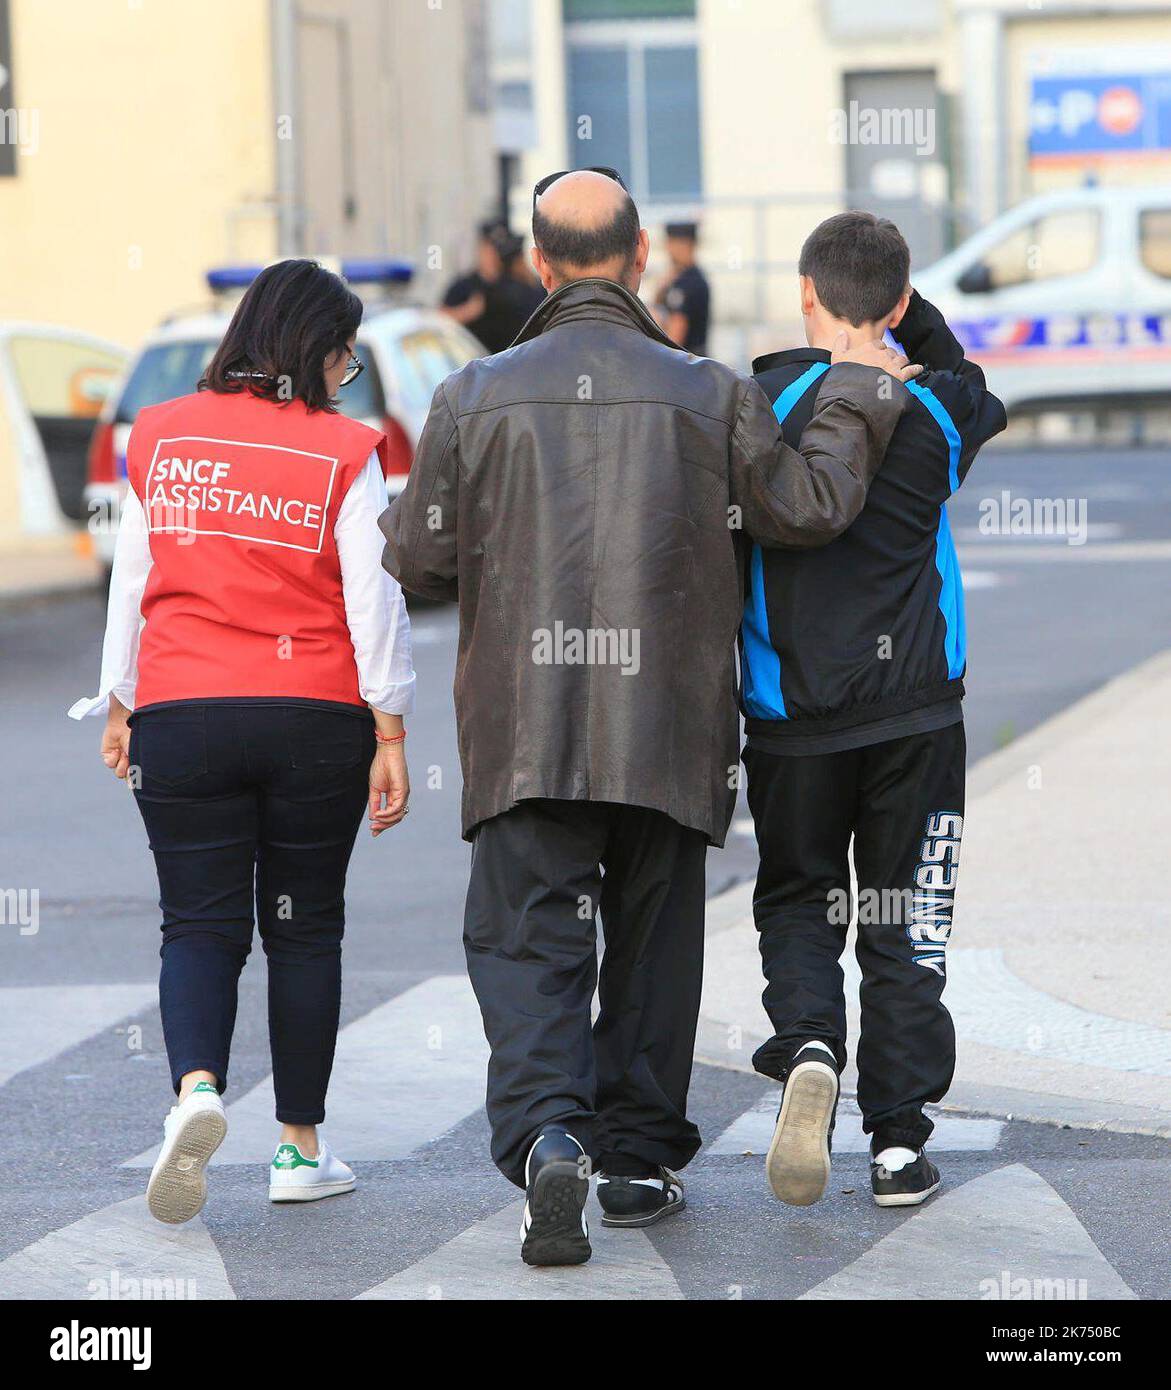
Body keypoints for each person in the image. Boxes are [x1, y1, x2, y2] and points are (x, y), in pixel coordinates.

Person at [380, 169, 920, 1266]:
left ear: (538, 263)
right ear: (637, 262)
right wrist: (859, 390)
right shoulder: (707, 389)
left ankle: (546, 1139)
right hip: (668, 726)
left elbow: (419, 555)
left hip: (523, 726)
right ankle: (632, 1158)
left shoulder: (473, 393)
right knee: (652, 947)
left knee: (528, 944)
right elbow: (805, 507)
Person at [70, 259, 415, 1225]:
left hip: (182, 710)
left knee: (198, 923)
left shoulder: (163, 434)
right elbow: (372, 597)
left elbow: (132, 577)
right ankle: (299, 1149)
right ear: (315, 350)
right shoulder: (347, 448)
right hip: (313, 715)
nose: (344, 377)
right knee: (304, 931)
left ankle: (196, 1092)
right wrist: (390, 724)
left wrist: (119, 700)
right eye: (343, 358)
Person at [740, 212, 1006, 1211]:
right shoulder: (939, 411)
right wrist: (905, 318)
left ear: (804, 297)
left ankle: (809, 1039)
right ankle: (897, 1143)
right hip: (918, 719)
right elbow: (961, 370)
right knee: (907, 921)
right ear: (898, 303)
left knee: (800, 896)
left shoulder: (768, 402)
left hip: (791, 716)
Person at [441, 219, 543, 354]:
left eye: (498, 248)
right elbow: (439, 319)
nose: (493, 254)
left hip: (509, 363)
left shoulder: (515, 285)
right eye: (489, 248)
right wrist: (468, 311)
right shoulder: (465, 285)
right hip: (474, 364)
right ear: (480, 249)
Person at [653, 220, 710, 354]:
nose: (668, 249)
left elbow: (675, 340)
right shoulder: (682, 277)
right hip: (692, 364)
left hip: (685, 364)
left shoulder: (688, 283)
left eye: (671, 243)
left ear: (685, 244)